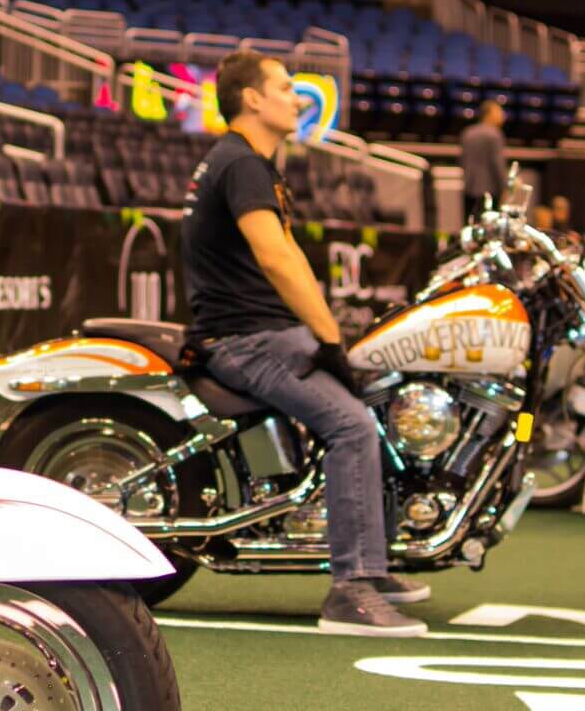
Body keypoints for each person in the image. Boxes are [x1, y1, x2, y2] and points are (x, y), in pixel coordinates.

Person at [181, 50, 426, 635]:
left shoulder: (249, 163)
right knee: (352, 425)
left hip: (262, 333)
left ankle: (373, 561)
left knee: (374, 399)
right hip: (246, 339)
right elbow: (275, 257)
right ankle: (351, 588)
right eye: (286, 88)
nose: (299, 99)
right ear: (252, 99)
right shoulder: (242, 164)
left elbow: (288, 254)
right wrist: (329, 337)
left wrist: (328, 334)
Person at [459, 99, 508, 207]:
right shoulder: (495, 134)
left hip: (468, 187)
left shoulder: (467, 133)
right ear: (489, 114)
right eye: (499, 112)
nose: (502, 116)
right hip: (490, 189)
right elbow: (497, 163)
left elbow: (463, 161)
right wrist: (504, 187)